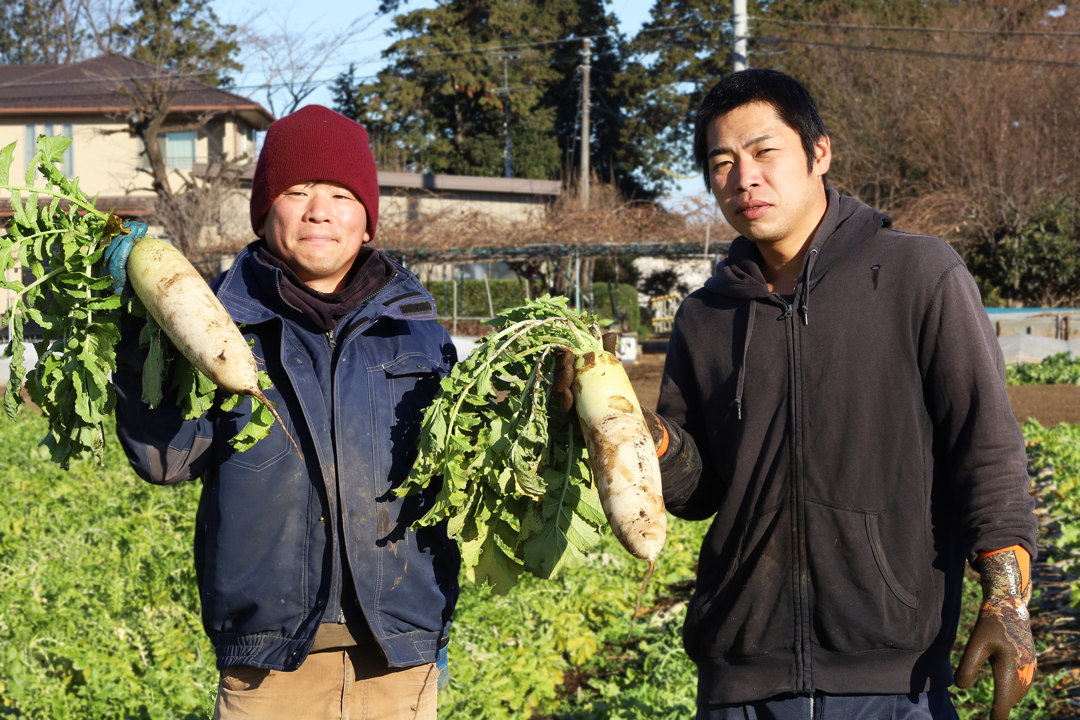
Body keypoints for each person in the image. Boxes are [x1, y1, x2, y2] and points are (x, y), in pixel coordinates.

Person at [647, 70, 1039, 720]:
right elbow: (700, 490)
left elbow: (986, 448)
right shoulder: (704, 316)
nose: (744, 178)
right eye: (722, 162)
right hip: (740, 683)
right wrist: (646, 441)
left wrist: (1007, 599)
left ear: (819, 153)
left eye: (765, 152)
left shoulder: (920, 276)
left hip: (893, 680)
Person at [110, 105, 459, 719]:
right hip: (269, 666)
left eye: (340, 194)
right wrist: (143, 342)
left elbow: (460, 467)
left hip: (400, 655)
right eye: (297, 191)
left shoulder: (419, 331)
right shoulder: (212, 322)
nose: (319, 210)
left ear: (367, 219)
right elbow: (164, 458)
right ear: (266, 208)